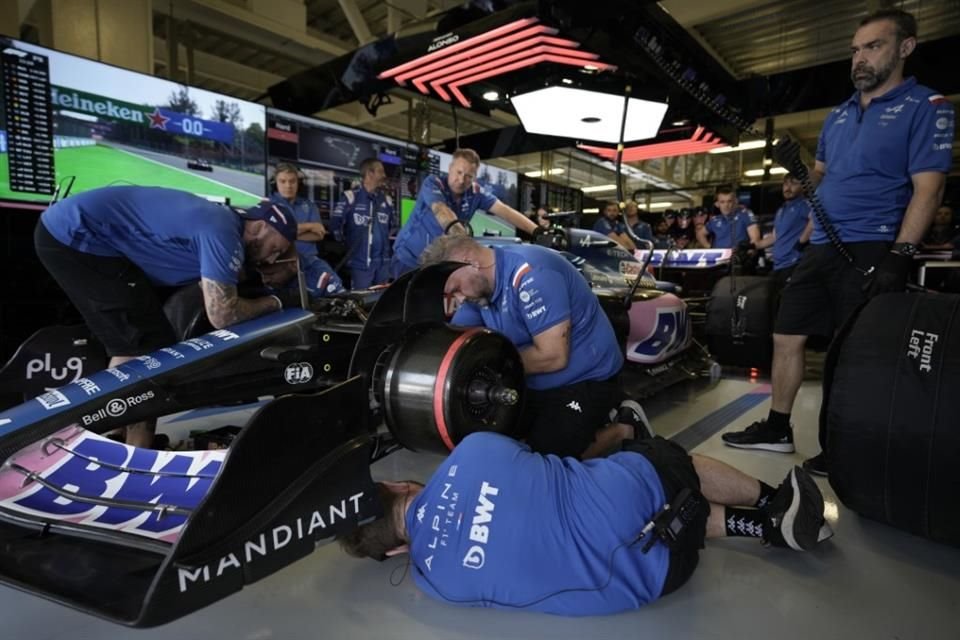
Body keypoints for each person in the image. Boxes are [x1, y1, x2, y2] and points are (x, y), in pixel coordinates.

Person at [721, 9, 955, 476]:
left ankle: (841, 446)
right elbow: (820, 179)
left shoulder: (926, 106)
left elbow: (929, 189)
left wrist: (901, 254)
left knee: (850, 351)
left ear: (905, 48)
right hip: (823, 246)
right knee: (786, 335)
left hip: (872, 246)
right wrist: (797, 166)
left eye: (873, 47)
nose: (859, 59)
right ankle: (777, 429)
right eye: (855, 50)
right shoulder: (839, 115)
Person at [340, 431, 832, 616]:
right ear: (400, 485)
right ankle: (774, 500)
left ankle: (766, 528)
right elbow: (537, 458)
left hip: (656, 579)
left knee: (641, 515)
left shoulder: (438, 586)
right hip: (649, 507)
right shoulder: (472, 451)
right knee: (656, 463)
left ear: (397, 550)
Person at [35, 185, 303, 447]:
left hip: (75, 232)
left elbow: (208, 286)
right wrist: (276, 302)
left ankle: (116, 438)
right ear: (261, 227)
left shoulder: (221, 223)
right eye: (276, 249)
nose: (272, 259)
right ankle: (137, 450)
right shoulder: (223, 232)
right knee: (150, 351)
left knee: (130, 344)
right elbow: (223, 314)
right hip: (79, 235)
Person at [419, 235, 633, 459]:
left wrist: (482, 368)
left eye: (456, 289)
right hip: (530, 379)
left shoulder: (533, 274)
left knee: (545, 462)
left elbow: (553, 357)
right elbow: (456, 343)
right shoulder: (478, 287)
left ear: (470, 262)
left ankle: (622, 429)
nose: (459, 299)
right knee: (491, 444)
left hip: (585, 377)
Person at [391, 148, 537, 277]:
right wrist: (463, 239)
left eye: (468, 176)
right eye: (459, 172)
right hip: (408, 258)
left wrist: (537, 231)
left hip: (437, 262)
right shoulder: (433, 183)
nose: (461, 180)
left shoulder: (476, 193)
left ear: (474, 177)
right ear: (450, 168)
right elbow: (441, 210)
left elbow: (505, 211)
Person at [269, 163, 344, 298]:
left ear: (298, 183)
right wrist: (309, 226)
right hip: (282, 264)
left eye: (292, 181)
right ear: (276, 183)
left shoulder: (308, 205)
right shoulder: (268, 204)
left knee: (336, 287)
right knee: (293, 299)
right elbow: (272, 233)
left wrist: (287, 233)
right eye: (283, 181)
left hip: (310, 261)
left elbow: (319, 234)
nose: (288, 185)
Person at [329, 158, 396, 289]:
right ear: (369, 173)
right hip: (360, 264)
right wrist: (349, 245)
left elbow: (391, 227)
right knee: (361, 299)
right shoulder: (350, 197)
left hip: (383, 264)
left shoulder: (387, 200)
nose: (384, 175)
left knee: (382, 298)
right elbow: (335, 226)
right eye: (380, 171)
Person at [751, 173, 814, 305]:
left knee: (787, 305)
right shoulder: (781, 209)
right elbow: (775, 237)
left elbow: (815, 219)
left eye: (793, 183)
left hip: (794, 264)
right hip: (778, 265)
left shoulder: (805, 204)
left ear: (803, 186)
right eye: (786, 184)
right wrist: (754, 245)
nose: (788, 188)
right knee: (770, 304)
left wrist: (802, 240)